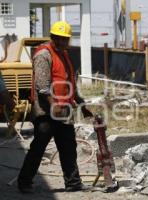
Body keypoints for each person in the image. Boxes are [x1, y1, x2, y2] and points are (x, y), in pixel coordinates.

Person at [18, 21, 93, 193]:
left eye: (65, 39)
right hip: (46, 111)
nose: (62, 42)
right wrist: (54, 106)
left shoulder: (64, 55)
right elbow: (42, 86)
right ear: (53, 37)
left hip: (64, 111)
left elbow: (69, 84)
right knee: (39, 147)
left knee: (68, 147)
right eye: (59, 39)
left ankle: (73, 183)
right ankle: (24, 182)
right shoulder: (44, 54)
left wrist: (81, 104)